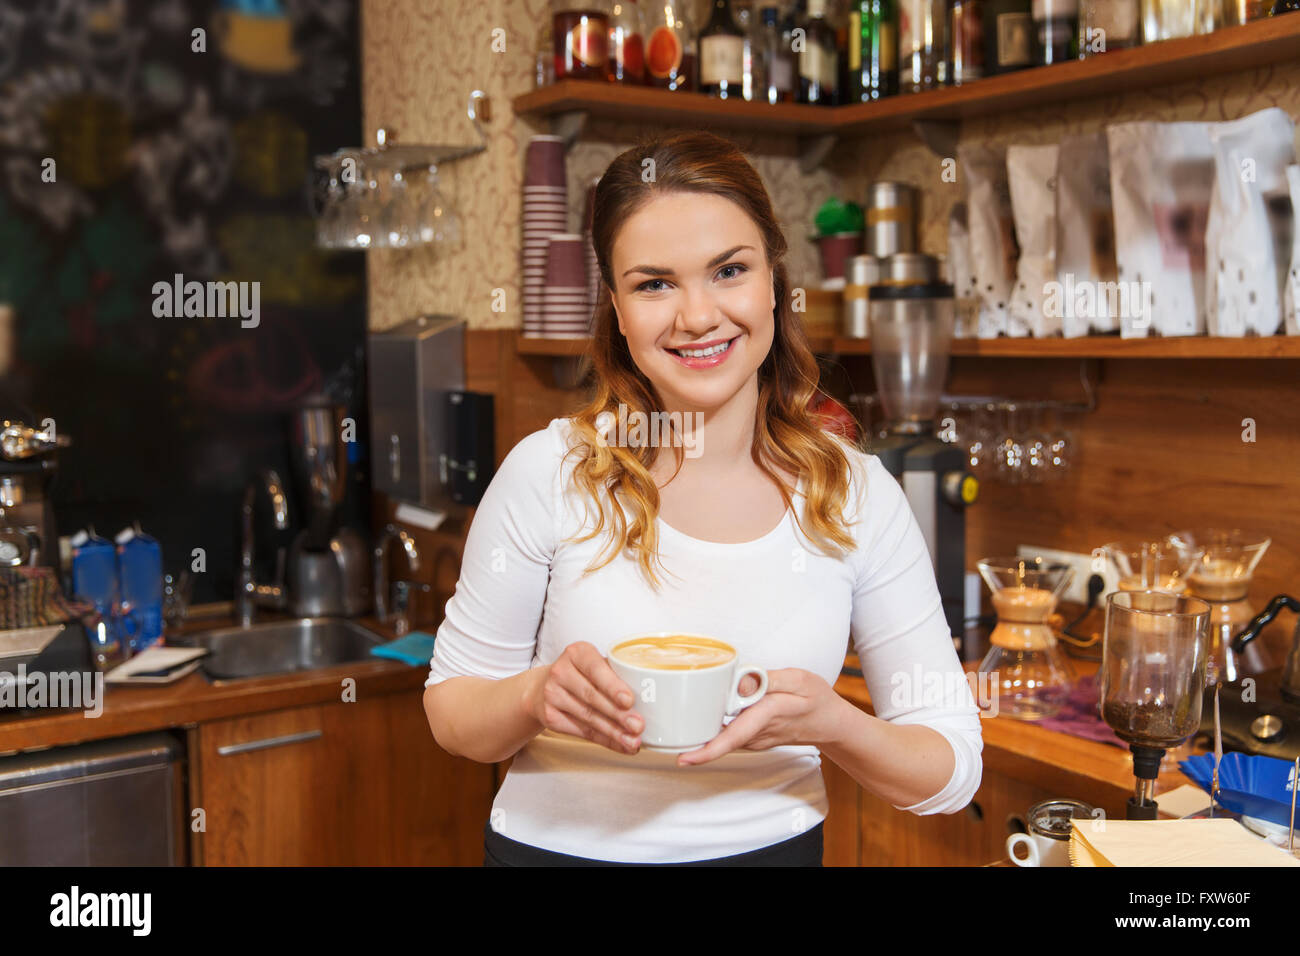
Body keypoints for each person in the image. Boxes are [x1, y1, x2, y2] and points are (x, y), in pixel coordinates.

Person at [422, 131, 983, 866]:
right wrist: (532, 698)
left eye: (729, 271)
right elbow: (452, 709)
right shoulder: (550, 473)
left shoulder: (855, 496)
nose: (696, 316)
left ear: (775, 284)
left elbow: (951, 767)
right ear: (618, 311)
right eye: (654, 284)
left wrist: (837, 725)